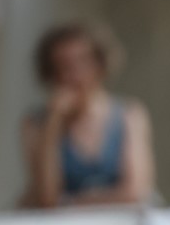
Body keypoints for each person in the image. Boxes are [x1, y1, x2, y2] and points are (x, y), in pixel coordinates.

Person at [20, 22, 155, 209]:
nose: (74, 75)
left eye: (82, 62)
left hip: (120, 221)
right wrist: (53, 123)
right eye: (63, 66)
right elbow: (47, 197)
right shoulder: (36, 124)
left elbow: (135, 192)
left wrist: (70, 203)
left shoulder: (129, 114)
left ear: (100, 64)